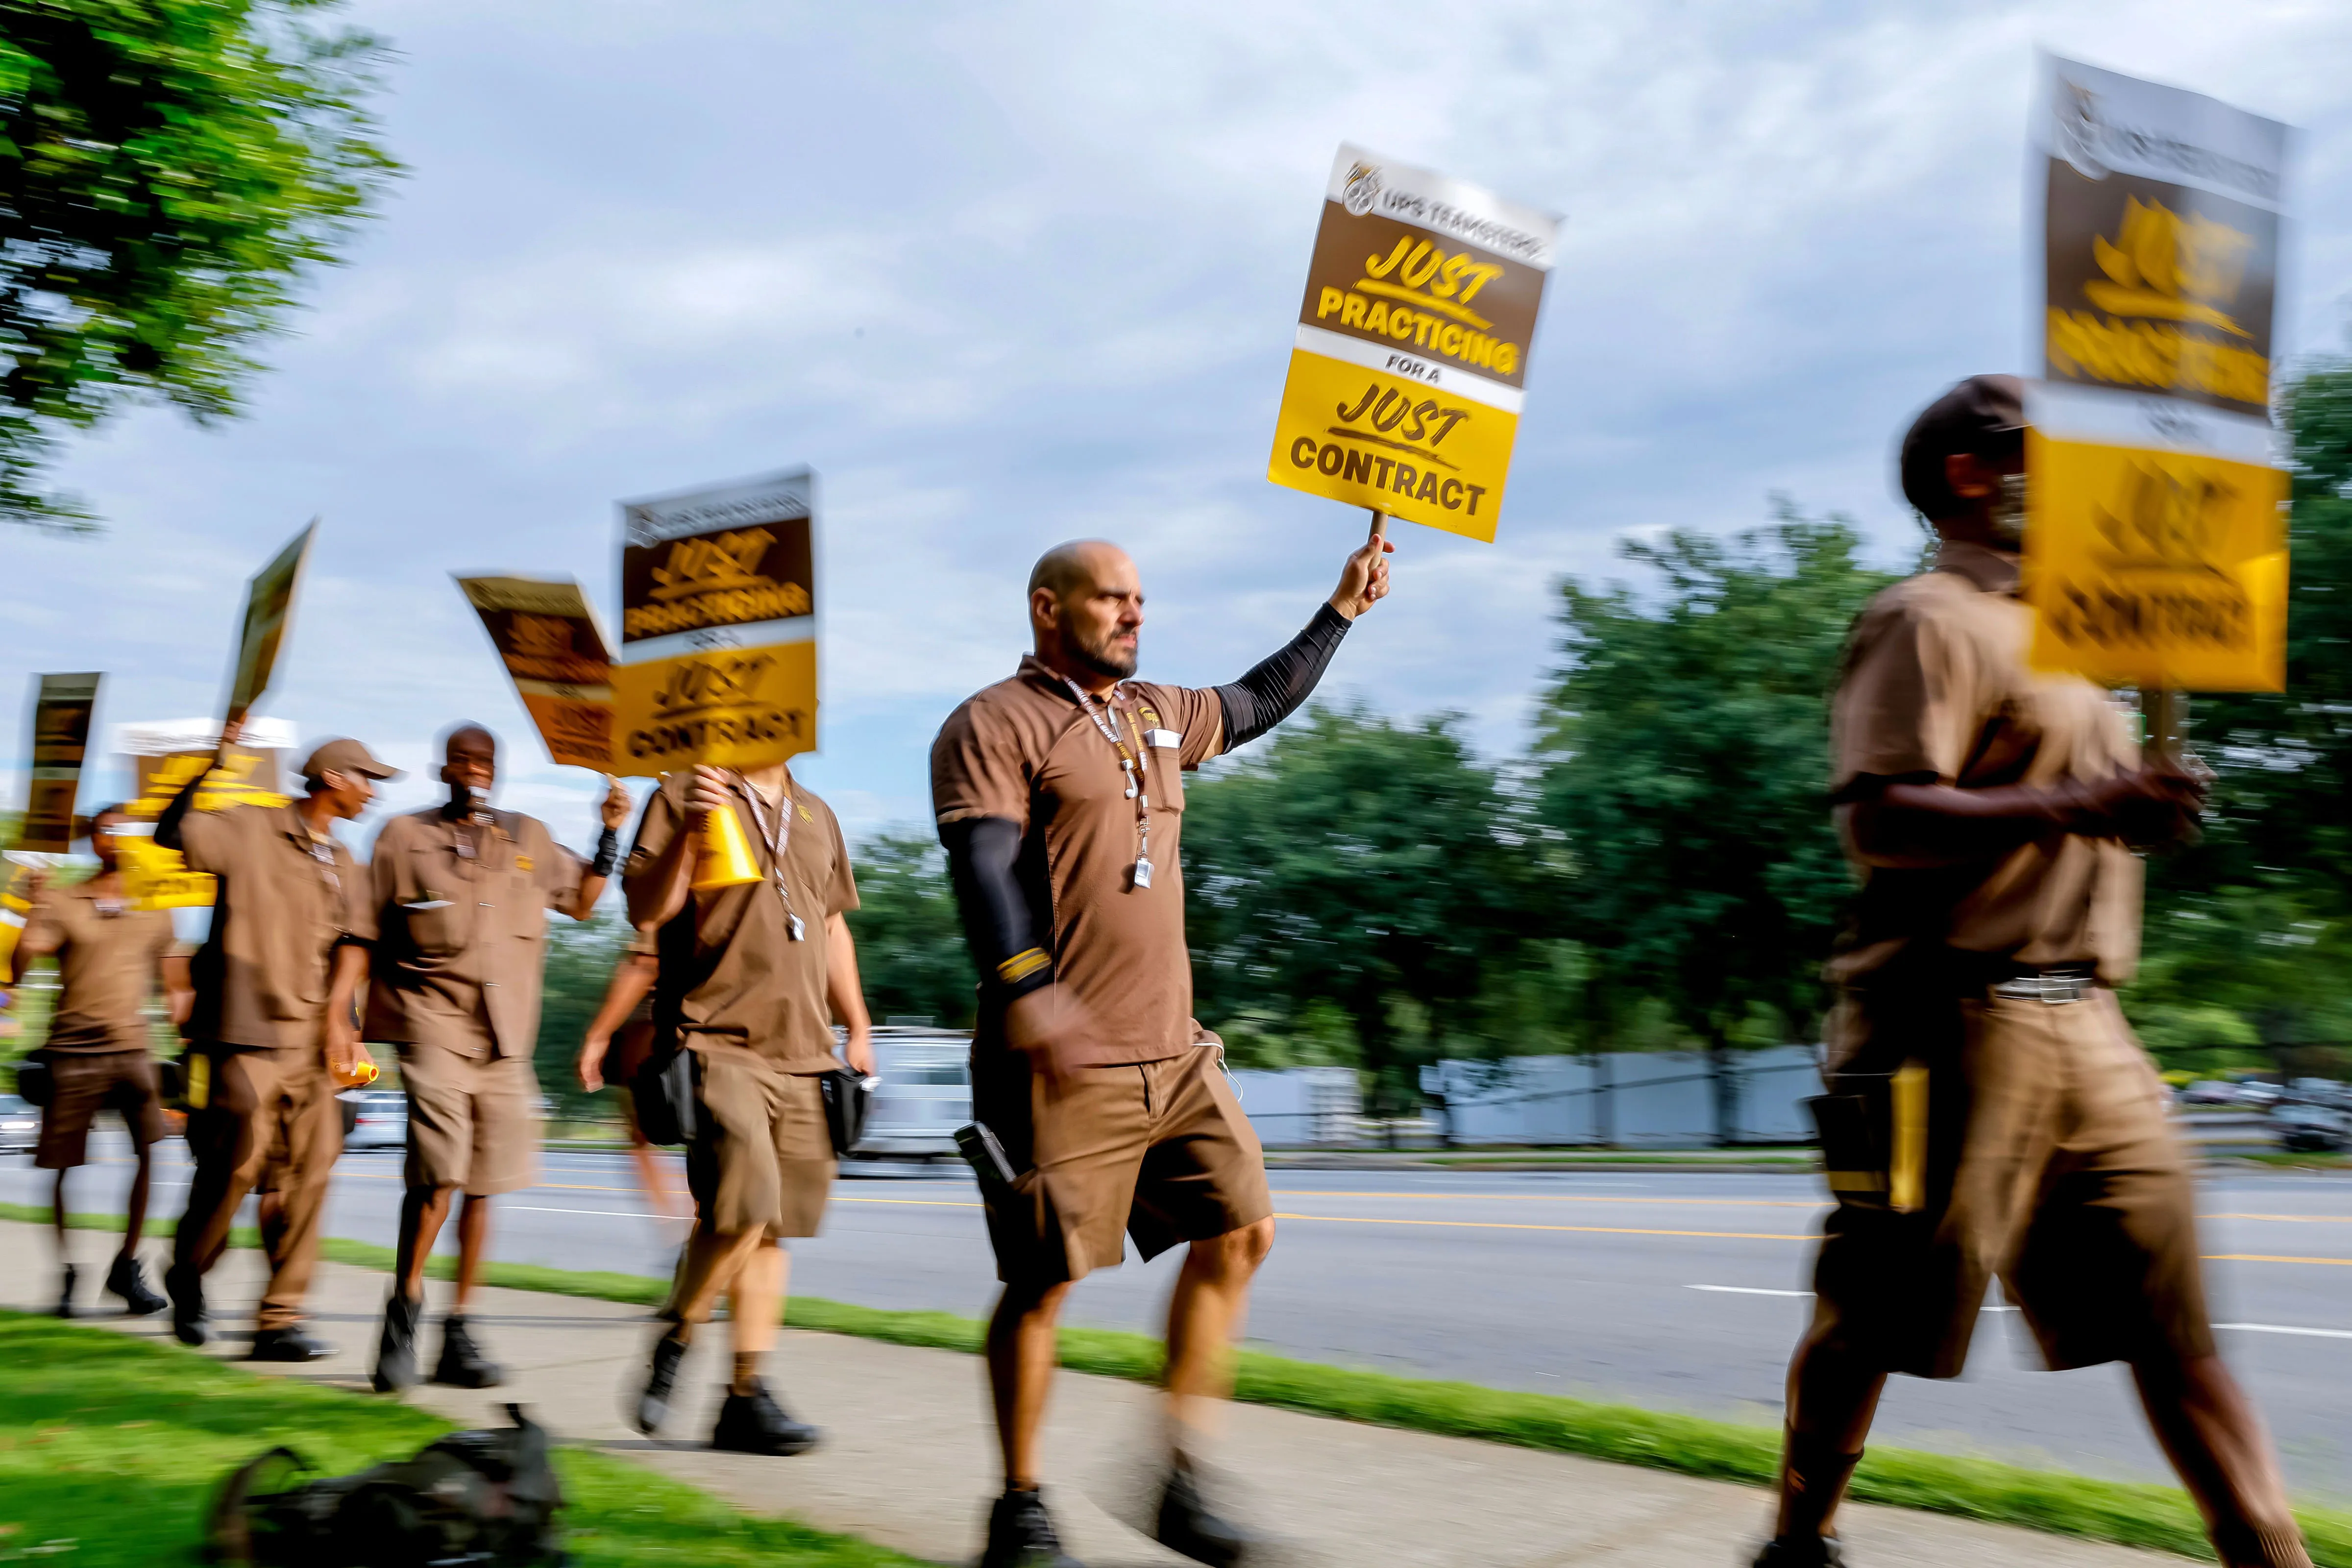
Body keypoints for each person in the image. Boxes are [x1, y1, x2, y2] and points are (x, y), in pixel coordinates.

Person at [1753, 375, 2310, 1568]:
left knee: (2174, 1328)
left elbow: (2077, 815)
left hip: (2091, 1032)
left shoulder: (2091, 633)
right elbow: (1878, 818)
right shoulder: (1927, 616)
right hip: (1932, 1033)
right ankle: (1798, 1538)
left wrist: (2131, 802)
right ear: (1971, 472)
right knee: (1871, 1317)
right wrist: (2089, 800)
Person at [932, 526, 1390, 1568]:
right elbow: (987, 866)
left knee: (1244, 1232)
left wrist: (1342, 611)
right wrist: (1029, 992)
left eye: (1139, 598)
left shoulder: (1156, 714)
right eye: (1110, 598)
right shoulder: (993, 723)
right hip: (1059, 1054)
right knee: (1044, 1281)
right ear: (1050, 607)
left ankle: (1180, 1476)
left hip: (1176, 1049)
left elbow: (1260, 699)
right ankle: (1019, 1504)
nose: (1134, 612)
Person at [618, 754, 873, 1455]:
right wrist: (691, 830)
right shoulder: (683, 792)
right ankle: (676, 1332)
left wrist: (857, 1022)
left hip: (806, 1049)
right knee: (744, 1205)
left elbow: (829, 925)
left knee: (774, 1228)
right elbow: (648, 909)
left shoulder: (818, 812)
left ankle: (745, 1398)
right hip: (716, 1037)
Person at [366, 724, 632, 1393]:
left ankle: (460, 1329)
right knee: (437, 1176)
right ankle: (405, 1309)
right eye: (463, 759)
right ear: (443, 767)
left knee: (484, 1182)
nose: (474, 770)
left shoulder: (530, 839)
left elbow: (584, 901)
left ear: (496, 770)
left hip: (505, 1038)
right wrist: (348, 1028)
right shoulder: (404, 838)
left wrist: (610, 832)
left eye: (485, 761)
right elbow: (362, 932)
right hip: (432, 1027)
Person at [156, 733, 391, 1359]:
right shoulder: (251, 829)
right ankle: (188, 1269)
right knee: (237, 1165)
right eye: (367, 778)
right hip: (242, 1035)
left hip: (315, 1046)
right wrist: (212, 760)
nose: (373, 790)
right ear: (333, 778)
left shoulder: (347, 861)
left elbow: (355, 943)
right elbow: (175, 830)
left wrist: (344, 1021)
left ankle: (279, 1319)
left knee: (312, 1174)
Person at [14, 807, 192, 1317]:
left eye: (128, 831)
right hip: (71, 1051)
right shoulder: (64, 899)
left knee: (151, 1159)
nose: (118, 838)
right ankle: (70, 1273)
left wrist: (184, 1028)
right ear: (93, 839)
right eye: (107, 829)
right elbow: (21, 964)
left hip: (133, 1050)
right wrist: (33, 908)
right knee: (65, 1167)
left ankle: (126, 1266)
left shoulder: (158, 905)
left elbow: (174, 984)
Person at [574, 925, 689, 1229]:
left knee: (640, 1136)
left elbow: (643, 964)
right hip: (700, 1015)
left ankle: (683, 1230)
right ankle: (693, 1228)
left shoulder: (663, 894)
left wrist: (598, 1035)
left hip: (658, 1021)